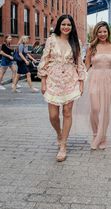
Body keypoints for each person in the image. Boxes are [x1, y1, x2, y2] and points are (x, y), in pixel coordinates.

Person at [72, 21, 111, 150]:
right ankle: (96, 134)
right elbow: (85, 65)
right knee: (95, 109)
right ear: (96, 33)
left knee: (106, 110)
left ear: (108, 32)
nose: (102, 34)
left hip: (109, 79)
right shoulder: (91, 47)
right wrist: (80, 79)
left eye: (104, 31)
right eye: (100, 32)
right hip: (94, 77)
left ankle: (102, 137)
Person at [37, 15, 85, 162]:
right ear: (59, 25)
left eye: (69, 25)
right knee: (53, 115)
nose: (66, 27)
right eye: (63, 24)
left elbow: (79, 63)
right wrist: (43, 82)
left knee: (67, 112)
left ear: (72, 27)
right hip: (53, 79)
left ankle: (63, 145)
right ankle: (59, 133)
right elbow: (44, 60)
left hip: (71, 80)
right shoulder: (51, 40)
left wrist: (81, 83)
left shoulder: (76, 41)